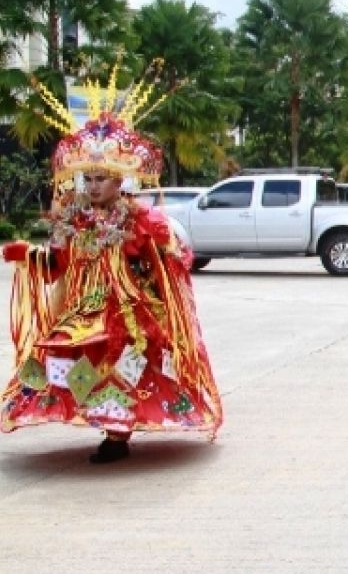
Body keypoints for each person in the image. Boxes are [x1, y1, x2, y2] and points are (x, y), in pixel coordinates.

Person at [1, 68, 222, 463]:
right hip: (82, 309)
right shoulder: (74, 218)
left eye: (102, 178)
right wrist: (27, 255)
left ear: (120, 180)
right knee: (70, 362)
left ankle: (117, 435)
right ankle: (105, 421)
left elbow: (170, 262)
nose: (94, 185)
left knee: (126, 368)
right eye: (89, 178)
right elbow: (58, 264)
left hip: (127, 310)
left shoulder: (141, 220)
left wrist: (163, 277)